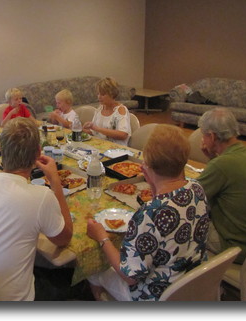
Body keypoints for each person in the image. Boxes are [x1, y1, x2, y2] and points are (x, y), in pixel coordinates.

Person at [0, 117, 73, 300]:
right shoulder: (41, 196)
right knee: (74, 280)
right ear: (38, 154)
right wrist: (55, 181)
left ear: (1, 150)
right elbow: (64, 239)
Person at [86, 124, 209, 301]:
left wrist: (102, 238)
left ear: (145, 168)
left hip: (157, 295)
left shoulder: (149, 213)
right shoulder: (197, 189)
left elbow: (129, 276)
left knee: (93, 270)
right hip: (194, 282)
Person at [197, 107, 246, 264]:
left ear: (211, 136)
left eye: (203, 136)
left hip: (239, 247)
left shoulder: (223, 164)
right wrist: (213, 159)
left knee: (185, 225)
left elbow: (189, 197)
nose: (202, 141)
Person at [82, 77, 131, 146]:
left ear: (112, 94)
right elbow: (94, 132)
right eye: (98, 94)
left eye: (102, 94)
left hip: (116, 150)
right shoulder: (100, 109)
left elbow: (123, 135)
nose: (99, 97)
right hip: (100, 146)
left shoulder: (121, 110)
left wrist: (96, 128)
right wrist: (80, 129)